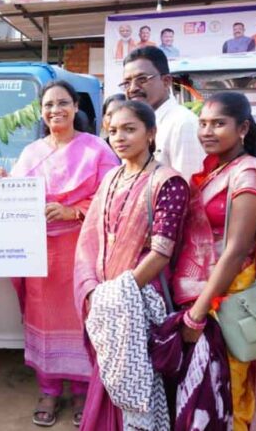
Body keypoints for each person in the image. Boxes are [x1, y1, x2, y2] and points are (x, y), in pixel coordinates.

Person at [0, 80, 118, 427]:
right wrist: (2, 179)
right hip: (40, 254)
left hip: (81, 251)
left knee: (80, 318)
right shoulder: (32, 152)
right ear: (41, 112)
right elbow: (16, 196)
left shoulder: (97, 149)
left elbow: (113, 196)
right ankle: (48, 390)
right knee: (44, 319)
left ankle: (83, 391)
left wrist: (73, 211)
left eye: (62, 103)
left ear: (76, 107)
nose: (55, 110)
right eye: (48, 105)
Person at [73, 100, 192, 430]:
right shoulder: (111, 177)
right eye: (113, 131)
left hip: (140, 301)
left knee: (141, 387)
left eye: (129, 129)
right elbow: (91, 239)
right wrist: (95, 291)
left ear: (151, 133)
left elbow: (162, 252)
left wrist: (117, 293)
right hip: (105, 298)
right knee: (106, 382)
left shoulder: (168, 182)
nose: (119, 137)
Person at [184, 92, 256, 431]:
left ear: (242, 128)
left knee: (231, 386)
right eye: (203, 123)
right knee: (209, 387)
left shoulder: (248, 174)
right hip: (209, 289)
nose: (207, 131)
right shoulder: (218, 169)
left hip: (233, 296)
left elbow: (237, 249)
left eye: (218, 124)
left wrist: (198, 313)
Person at [122, 46, 205, 181]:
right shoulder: (132, 126)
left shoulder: (183, 124)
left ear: (166, 81)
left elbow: (189, 185)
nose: (132, 89)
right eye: (127, 83)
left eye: (142, 79)